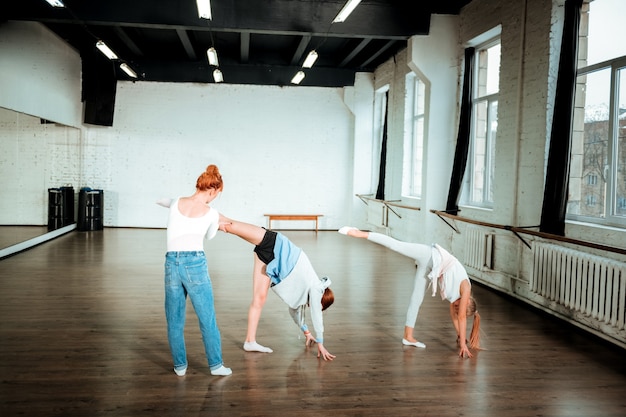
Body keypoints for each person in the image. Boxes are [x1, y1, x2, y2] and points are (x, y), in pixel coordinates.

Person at [338, 226, 482, 358]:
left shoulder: (456, 299)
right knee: (396, 245)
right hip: (430, 255)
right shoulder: (466, 288)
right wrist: (463, 344)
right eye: (458, 306)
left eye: (457, 307)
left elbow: (456, 317)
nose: (455, 306)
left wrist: (459, 335)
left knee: (416, 299)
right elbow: (461, 317)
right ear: (468, 301)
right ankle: (359, 233)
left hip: (429, 269)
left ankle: (408, 336)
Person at [218, 216, 336, 361]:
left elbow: (294, 312)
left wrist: (306, 332)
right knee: (230, 225)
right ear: (321, 299)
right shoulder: (317, 287)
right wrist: (321, 342)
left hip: (270, 263)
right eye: (319, 305)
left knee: (259, 299)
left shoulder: (303, 297)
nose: (314, 306)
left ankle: (250, 341)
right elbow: (317, 315)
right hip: (275, 243)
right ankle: (201, 216)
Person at [156, 164, 232, 376]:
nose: (215, 198)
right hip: (195, 264)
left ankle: (180, 366)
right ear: (212, 190)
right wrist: (218, 222)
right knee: (207, 318)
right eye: (217, 195)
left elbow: (163, 200)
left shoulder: (177, 202)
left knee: (174, 319)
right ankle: (216, 365)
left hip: (171, 263)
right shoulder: (210, 213)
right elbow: (209, 236)